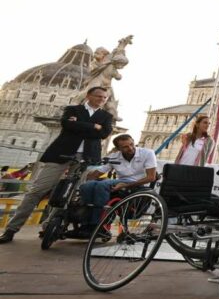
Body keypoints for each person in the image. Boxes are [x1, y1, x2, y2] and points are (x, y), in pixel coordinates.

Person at [0, 86, 113, 244]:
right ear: (88, 96)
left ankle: (50, 227)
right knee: (37, 190)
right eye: (99, 96)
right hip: (61, 153)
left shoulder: (106, 115)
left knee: (71, 194)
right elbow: (67, 125)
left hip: (87, 157)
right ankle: (12, 229)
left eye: (105, 98)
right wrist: (93, 126)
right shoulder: (72, 109)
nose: (102, 99)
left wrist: (81, 125)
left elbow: (104, 133)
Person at [72, 134, 157, 238]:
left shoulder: (148, 153)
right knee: (86, 186)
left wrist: (126, 185)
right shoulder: (114, 156)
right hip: (120, 181)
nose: (130, 148)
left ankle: (99, 224)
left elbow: (151, 177)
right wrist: (87, 175)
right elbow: (100, 171)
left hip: (139, 183)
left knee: (102, 185)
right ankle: (85, 223)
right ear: (118, 148)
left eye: (131, 144)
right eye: (125, 147)